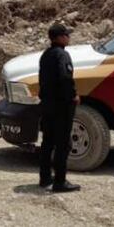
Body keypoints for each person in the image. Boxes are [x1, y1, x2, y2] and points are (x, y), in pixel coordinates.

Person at [38, 22, 80, 193]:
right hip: (61, 106)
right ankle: (60, 181)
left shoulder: (46, 55)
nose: (69, 38)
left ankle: (45, 177)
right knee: (63, 143)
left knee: (47, 142)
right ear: (60, 37)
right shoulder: (62, 55)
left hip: (47, 104)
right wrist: (73, 96)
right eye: (67, 35)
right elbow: (65, 79)